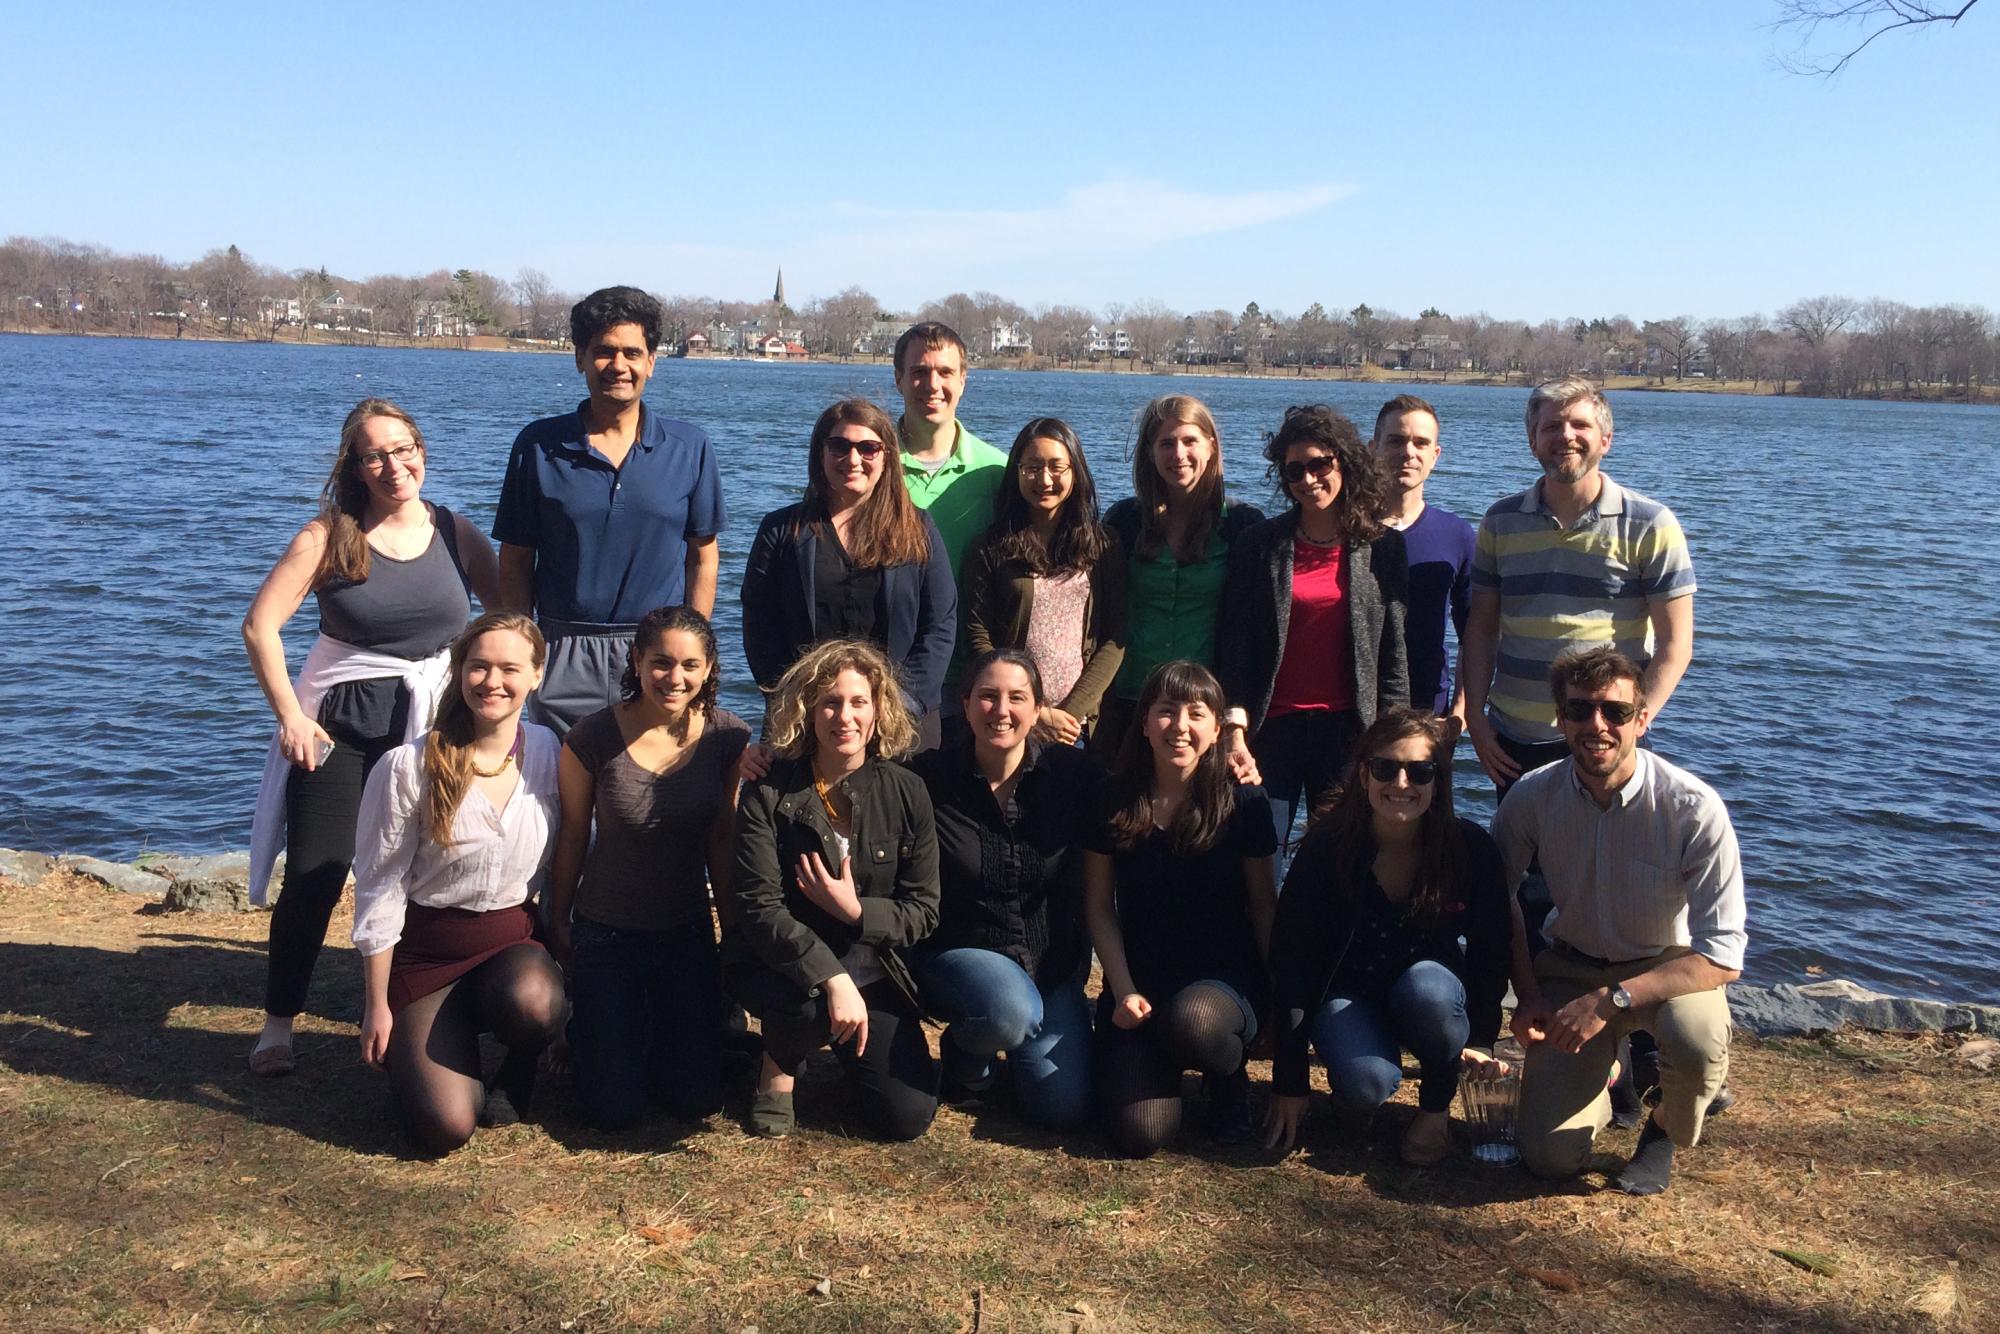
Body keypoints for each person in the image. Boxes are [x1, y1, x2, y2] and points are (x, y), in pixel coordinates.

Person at [243, 398, 498, 1076]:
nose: (393, 465)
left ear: (423, 451)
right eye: (375, 455)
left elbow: (509, 617)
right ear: (355, 467)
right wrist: (291, 718)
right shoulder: (327, 536)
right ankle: (278, 1022)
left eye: (403, 448)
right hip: (340, 732)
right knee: (317, 874)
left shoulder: (454, 531)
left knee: (423, 872)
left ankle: (396, 1006)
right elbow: (259, 626)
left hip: (434, 729)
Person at [1495, 647, 1746, 1196]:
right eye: (1580, 710)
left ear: (1642, 718)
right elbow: (1499, 898)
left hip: (1668, 972)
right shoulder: (1531, 797)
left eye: (1615, 712)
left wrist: (1611, 1000)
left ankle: (1662, 1129)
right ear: (1558, 718)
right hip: (1574, 966)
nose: (1597, 725)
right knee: (1547, 1159)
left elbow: (1722, 957)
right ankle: (1609, 1080)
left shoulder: (1692, 807)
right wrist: (1530, 993)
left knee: (1697, 1041)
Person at [1263, 709, 1527, 1166]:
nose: (1401, 783)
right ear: (1363, 774)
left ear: (1438, 781)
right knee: (1366, 1084)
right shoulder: (1326, 849)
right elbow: (1294, 963)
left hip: (1425, 994)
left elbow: (1490, 953)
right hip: (1346, 996)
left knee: (1431, 991)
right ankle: (1357, 1092)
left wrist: (1482, 1039)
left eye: (1419, 771)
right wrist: (1290, 1081)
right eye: (1386, 768)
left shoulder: (1469, 850)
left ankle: (1433, 1113)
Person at [350, 613, 567, 1154]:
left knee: (538, 1004)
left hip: (511, 946)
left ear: (536, 675)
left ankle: (520, 1064)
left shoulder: (550, 752)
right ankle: (433, 1044)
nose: (493, 682)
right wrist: (376, 1002)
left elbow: (572, 856)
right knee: (445, 1129)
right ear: (459, 672)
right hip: (427, 957)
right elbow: (380, 885)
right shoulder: (408, 766)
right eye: (479, 667)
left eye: (510, 669)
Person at [724, 639, 942, 1141]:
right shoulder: (769, 788)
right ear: (808, 709)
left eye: (858, 702)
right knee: (807, 1006)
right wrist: (831, 978)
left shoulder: (907, 791)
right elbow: (759, 908)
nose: (844, 716)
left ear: (878, 709)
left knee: (906, 1117)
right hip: (783, 968)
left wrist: (857, 912)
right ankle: (777, 1064)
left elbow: (924, 910)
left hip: (871, 970)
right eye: (830, 701)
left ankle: (843, 1048)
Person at [546, 606, 751, 1131]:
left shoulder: (728, 738)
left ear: (707, 670)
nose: (674, 678)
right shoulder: (591, 738)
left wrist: (733, 934)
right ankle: (589, 1030)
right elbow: (572, 835)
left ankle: (665, 1031)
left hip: (685, 934)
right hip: (607, 933)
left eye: (689, 665)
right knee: (613, 1109)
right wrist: (560, 920)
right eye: (661, 663)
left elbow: (721, 841)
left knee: (693, 1100)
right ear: (636, 660)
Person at [492, 286, 725, 737]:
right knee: (556, 795)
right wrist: (519, 649)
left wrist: (693, 649)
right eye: (604, 352)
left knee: (648, 797)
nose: (619, 366)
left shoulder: (689, 448)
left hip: (657, 656)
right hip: (562, 649)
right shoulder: (538, 446)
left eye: (632, 353)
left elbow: (704, 556)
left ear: (652, 362)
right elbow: (516, 558)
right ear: (580, 357)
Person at [1462, 376, 1695, 799]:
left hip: (1606, 738)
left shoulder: (1650, 524)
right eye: (1551, 427)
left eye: (1579, 425)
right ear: (1533, 441)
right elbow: (1480, 630)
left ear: (1605, 439)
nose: (1565, 436)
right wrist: (1476, 721)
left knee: (1607, 862)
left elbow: (1675, 644)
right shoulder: (1500, 522)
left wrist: (1636, 720)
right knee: (1520, 863)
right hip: (1517, 741)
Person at [1084, 661, 1278, 1157]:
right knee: (1139, 1135)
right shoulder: (1110, 798)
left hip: (1224, 984)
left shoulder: (1245, 803)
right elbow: (1099, 908)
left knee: (1193, 1023)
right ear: (1145, 722)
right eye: (1167, 712)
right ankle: (1162, 1062)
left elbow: (1263, 906)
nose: (1181, 727)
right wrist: (1123, 991)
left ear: (1218, 729)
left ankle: (1227, 1078)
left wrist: (1279, 998)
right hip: (1141, 987)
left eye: (1197, 713)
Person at [907, 650, 1101, 1130]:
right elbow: (855, 772)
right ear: (966, 702)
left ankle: (1016, 1048)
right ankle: (968, 1060)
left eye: (1017, 697)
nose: (1001, 710)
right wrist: (761, 759)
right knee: (1009, 1010)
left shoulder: (1073, 776)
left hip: (1048, 965)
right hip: (960, 955)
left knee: (1061, 1110)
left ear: (1038, 710)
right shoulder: (930, 778)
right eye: (988, 696)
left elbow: (1148, 788)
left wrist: (1229, 766)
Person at [1218, 405, 1409, 850]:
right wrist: (1233, 732)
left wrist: (1392, 738)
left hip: (1347, 733)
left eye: (1320, 465)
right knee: (1258, 853)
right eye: (1295, 470)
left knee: (1345, 857)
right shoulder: (1261, 545)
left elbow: (1392, 656)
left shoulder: (1383, 548)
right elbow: (1236, 648)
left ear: (1344, 461)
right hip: (1271, 732)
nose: (1308, 480)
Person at [740, 398, 957, 747]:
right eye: (839, 446)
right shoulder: (781, 530)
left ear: (886, 456)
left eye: (868, 448)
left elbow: (940, 626)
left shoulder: (919, 529)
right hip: (803, 722)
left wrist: (899, 705)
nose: (853, 459)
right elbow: (759, 626)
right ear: (820, 454)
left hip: (902, 725)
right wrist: (799, 702)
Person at [1100, 395, 1265, 759]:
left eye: (1189, 441)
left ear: (1211, 445)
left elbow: (1247, 632)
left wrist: (1236, 719)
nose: (1179, 454)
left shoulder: (1243, 527)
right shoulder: (1123, 522)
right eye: (1166, 443)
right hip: (1129, 702)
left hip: (1205, 710)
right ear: (1149, 452)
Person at [960, 418, 1127, 746]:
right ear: (1017, 472)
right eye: (1032, 467)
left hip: (1078, 726)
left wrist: (1070, 713)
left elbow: (1114, 637)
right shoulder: (990, 549)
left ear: (1075, 471)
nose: (1045, 479)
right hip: (1011, 722)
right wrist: (1030, 712)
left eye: (1056, 467)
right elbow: (977, 636)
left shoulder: (1103, 544)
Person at [892, 321, 1008, 708]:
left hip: (975, 680)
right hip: (887, 680)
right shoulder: (867, 466)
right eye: (919, 372)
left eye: (945, 372)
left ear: (963, 380)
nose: (932, 384)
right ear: (899, 379)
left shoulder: (998, 472)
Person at [1370, 394, 1475, 720]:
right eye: (1396, 441)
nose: (1408, 453)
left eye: (1420, 443)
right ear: (1373, 449)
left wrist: (1460, 710)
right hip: (1350, 712)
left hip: (1429, 712)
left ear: (1435, 455)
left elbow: (1476, 635)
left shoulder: (1457, 535)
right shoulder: (1345, 530)